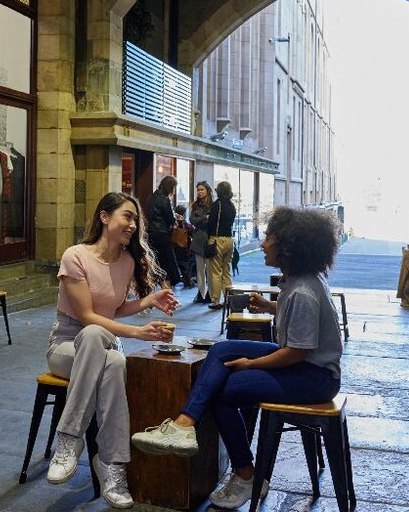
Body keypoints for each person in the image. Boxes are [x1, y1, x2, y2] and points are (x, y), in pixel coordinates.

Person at [131, 206, 343, 509]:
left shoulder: (303, 291)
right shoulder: (299, 280)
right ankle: (183, 425)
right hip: (305, 365)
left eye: (268, 237)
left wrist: (253, 364)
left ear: (288, 246)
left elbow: (297, 352)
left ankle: (246, 474)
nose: (262, 242)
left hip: (315, 377)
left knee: (226, 392)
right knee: (223, 349)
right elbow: (298, 323)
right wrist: (270, 307)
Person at [47, 192, 179, 509]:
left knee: (107, 349)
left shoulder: (128, 261)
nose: (133, 224)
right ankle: (100, 458)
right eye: (127, 216)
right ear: (105, 217)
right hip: (66, 346)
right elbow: (88, 316)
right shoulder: (75, 256)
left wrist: (148, 301)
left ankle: (86, 450)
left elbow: (114, 309)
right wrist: (138, 333)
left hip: (101, 342)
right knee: (105, 347)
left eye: (136, 219)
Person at [146, 175, 181, 288]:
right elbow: (169, 218)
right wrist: (175, 218)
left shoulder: (152, 197)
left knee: (155, 264)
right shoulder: (164, 199)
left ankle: (151, 293)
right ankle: (167, 294)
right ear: (170, 187)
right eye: (174, 187)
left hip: (151, 234)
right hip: (162, 235)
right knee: (167, 266)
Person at [206, 181, 237, 310]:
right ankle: (229, 299)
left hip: (217, 239)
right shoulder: (231, 205)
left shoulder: (217, 205)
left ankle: (216, 300)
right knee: (226, 270)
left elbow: (211, 223)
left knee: (215, 271)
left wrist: (209, 238)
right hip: (230, 240)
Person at [189, 181, 214, 303]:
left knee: (210, 269)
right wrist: (205, 218)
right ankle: (201, 294)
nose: (199, 192)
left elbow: (212, 222)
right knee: (199, 270)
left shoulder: (213, 205)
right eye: (198, 190)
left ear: (207, 191)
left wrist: (201, 220)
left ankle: (210, 293)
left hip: (210, 240)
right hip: (198, 240)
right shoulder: (195, 205)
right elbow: (192, 220)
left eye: (202, 189)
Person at [173, 204, 196, 288]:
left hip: (174, 251)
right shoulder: (185, 225)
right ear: (183, 214)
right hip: (184, 251)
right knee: (193, 257)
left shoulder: (172, 223)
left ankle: (184, 278)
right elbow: (193, 232)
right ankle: (188, 279)